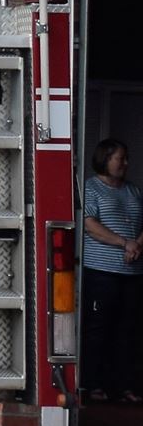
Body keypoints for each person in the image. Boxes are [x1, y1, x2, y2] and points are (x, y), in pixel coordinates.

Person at [84, 137, 142, 405]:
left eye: (126, 158)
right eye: (121, 158)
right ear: (105, 159)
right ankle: (95, 385)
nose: (126, 163)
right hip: (101, 272)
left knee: (128, 331)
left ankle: (125, 386)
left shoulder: (133, 191)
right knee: (99, 330)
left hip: (132, 273)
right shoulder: (91, 189)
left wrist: (137, 245)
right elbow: (90, 225)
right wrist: (124, 242)